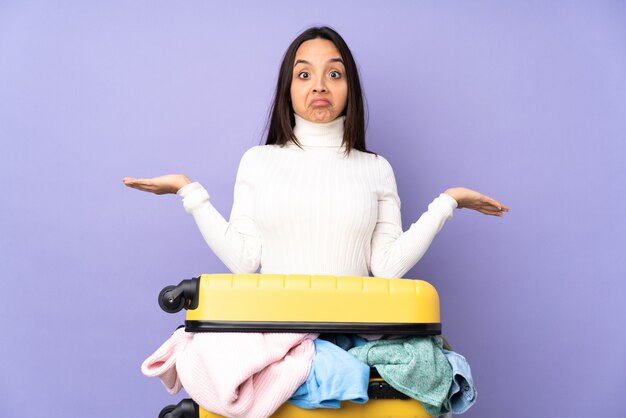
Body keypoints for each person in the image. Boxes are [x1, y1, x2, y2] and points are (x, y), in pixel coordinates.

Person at [123, 26, 508, 278]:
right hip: (275, 336)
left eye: (334, 74)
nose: (320, 86)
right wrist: (188, 191)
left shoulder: (376, 169)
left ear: (349, 88)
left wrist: (447, 202)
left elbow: (387, 267)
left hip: (354, 335)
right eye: (304, 74)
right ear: (287, 90)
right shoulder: (259, 162)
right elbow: (244, 261)